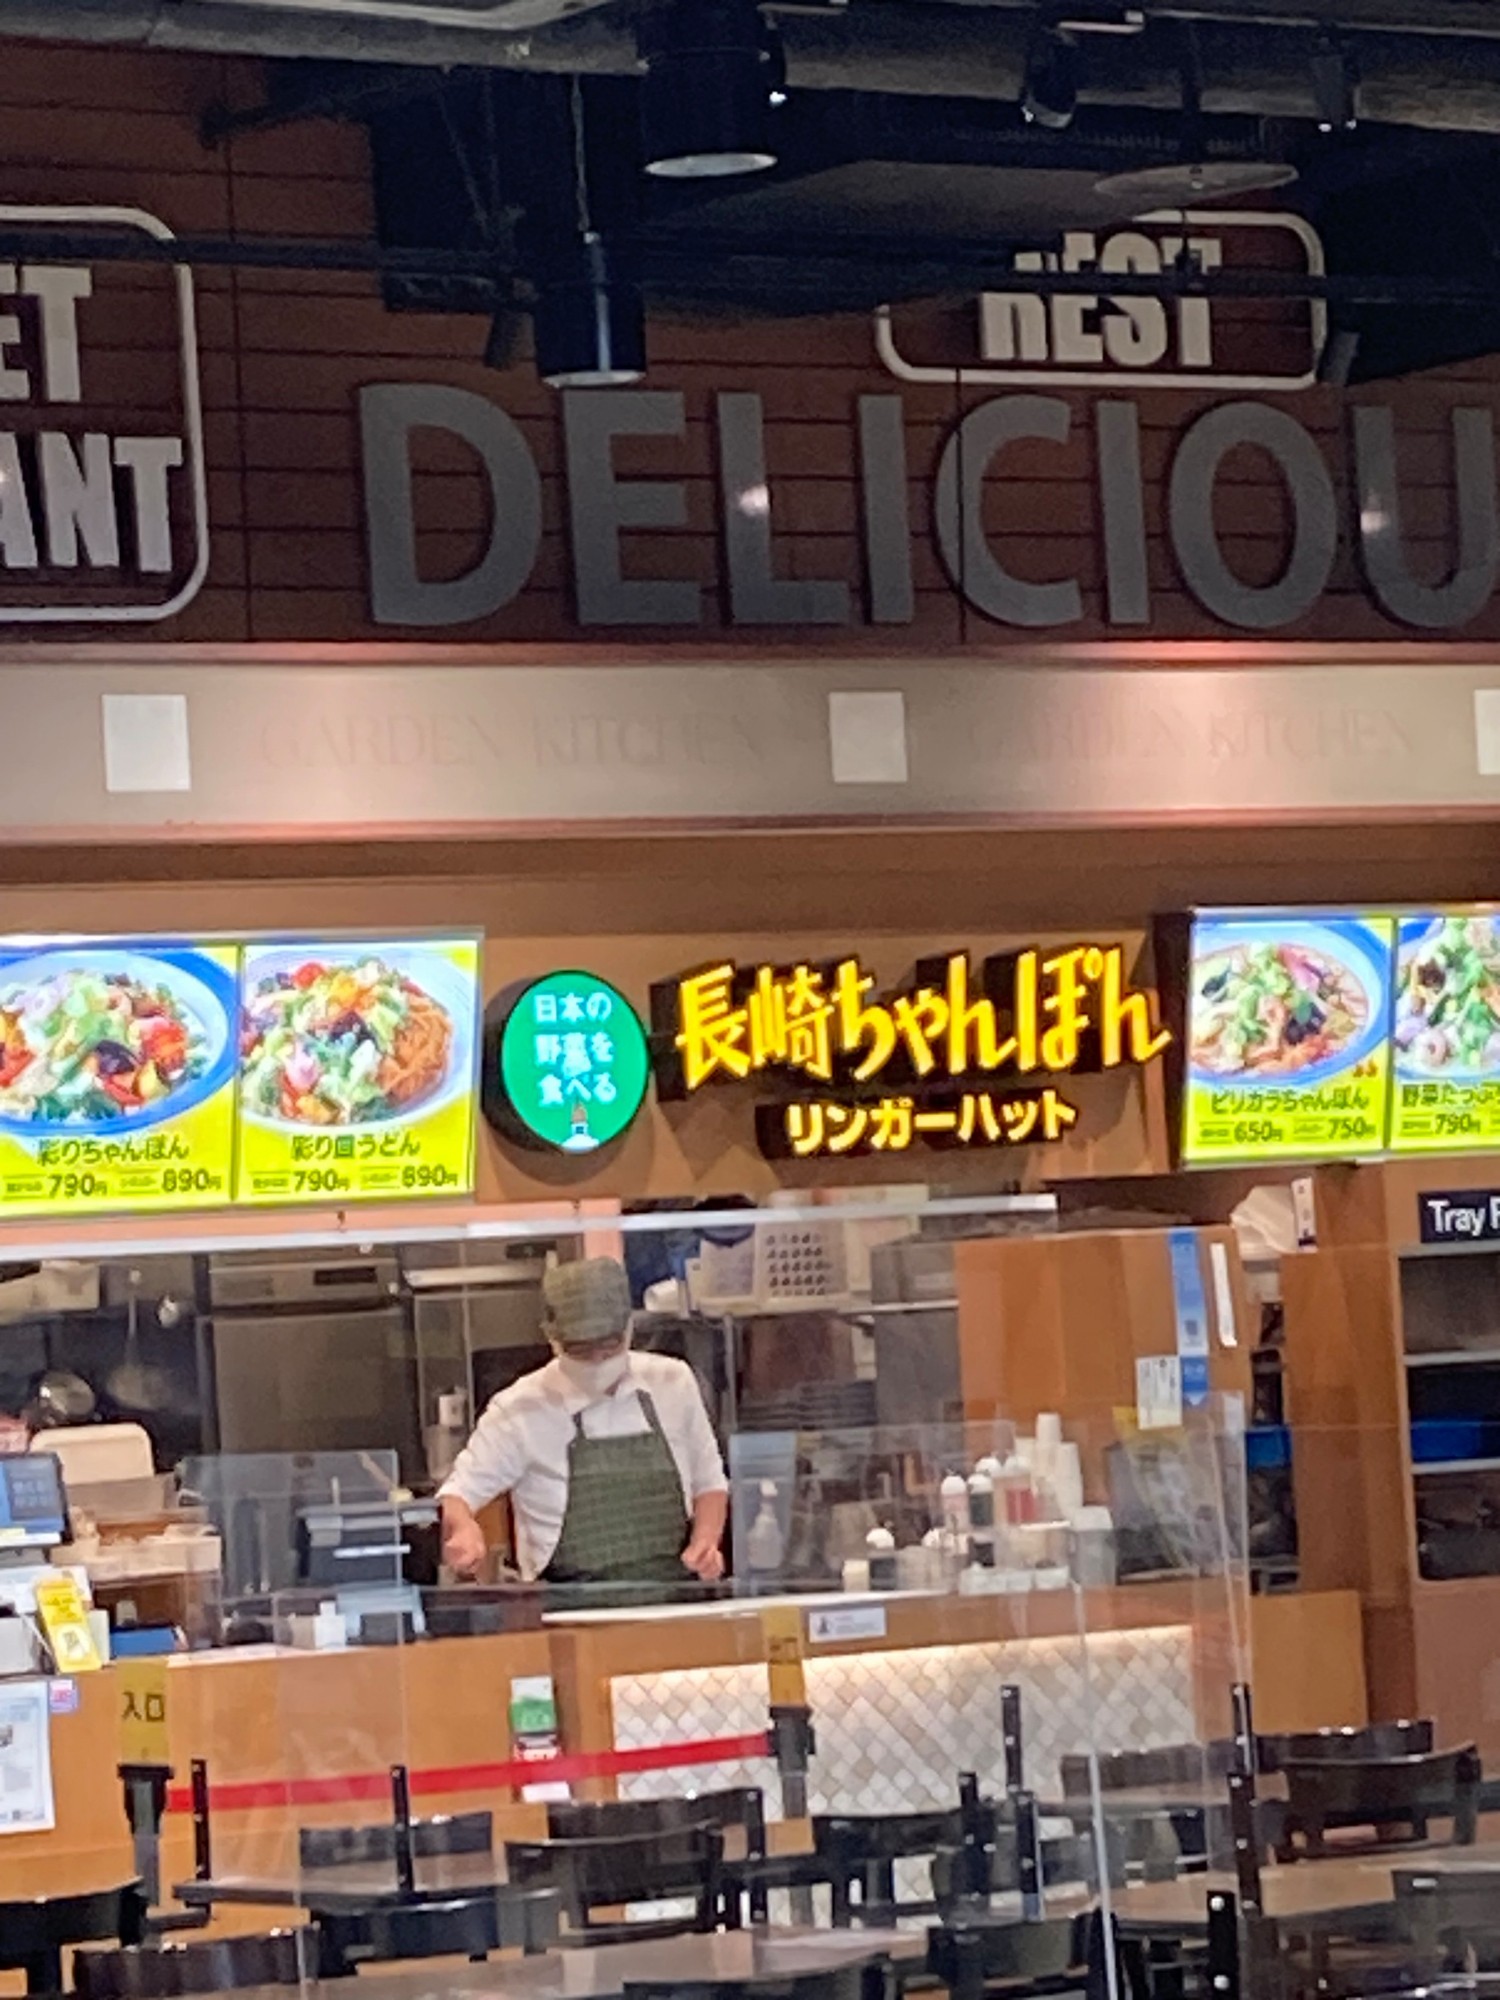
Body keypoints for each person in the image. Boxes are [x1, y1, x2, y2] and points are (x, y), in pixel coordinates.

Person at [438, 1256, 728, 1590]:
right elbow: (457, 1495)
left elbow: (709, 1481)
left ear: (628, 1328)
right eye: (580, 1350)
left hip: (673, 1601)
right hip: (567, 1608)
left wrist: (705, 1542)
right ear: (552, 1339)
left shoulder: (673, 1381)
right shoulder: (518, 1409)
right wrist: (463, 1528)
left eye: (609, 1345)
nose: (597, 1360)